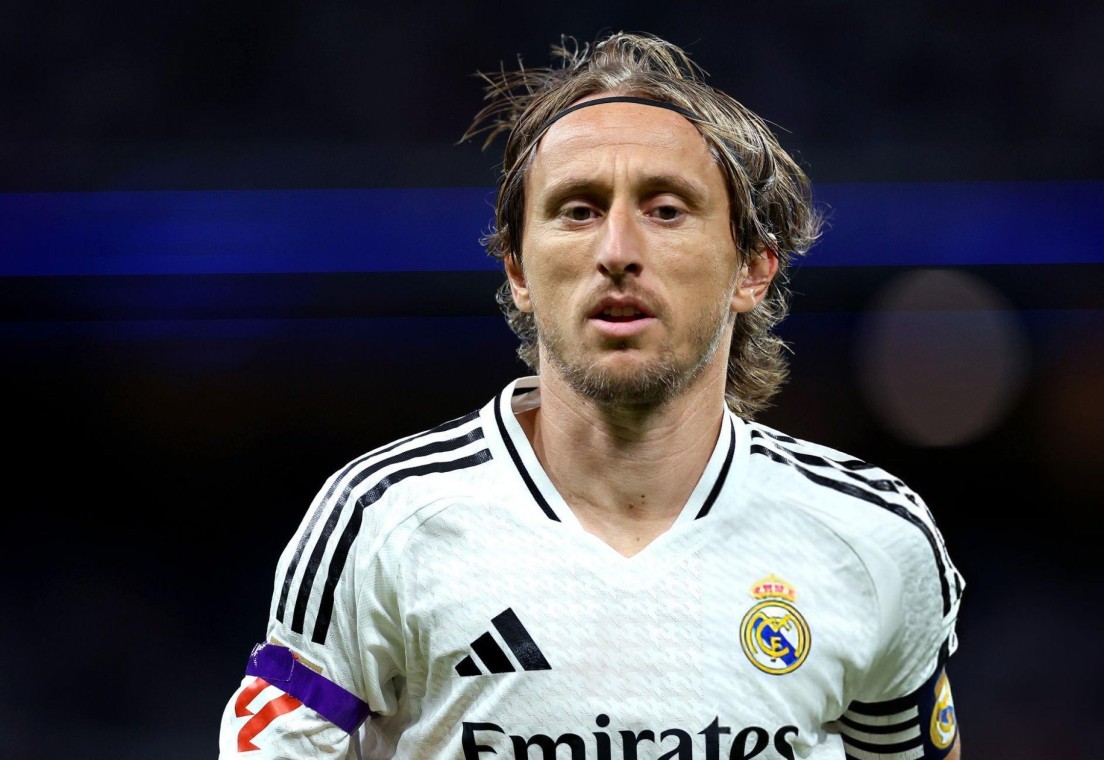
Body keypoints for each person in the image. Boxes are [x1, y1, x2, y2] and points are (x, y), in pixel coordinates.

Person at [218, 31, 966, 760]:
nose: (617, 253)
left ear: (752, 268)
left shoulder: (870, 538)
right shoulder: (384, 521)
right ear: (518, 269)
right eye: (578, 209)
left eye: (665, 209)